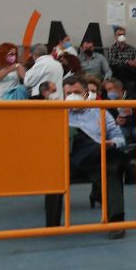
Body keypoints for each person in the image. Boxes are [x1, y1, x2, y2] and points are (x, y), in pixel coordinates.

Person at [45, 84, 129, 237]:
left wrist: (112, 143)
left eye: (77, 92)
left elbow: (120, 138)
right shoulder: (57, 112)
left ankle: (116, 222)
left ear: (85, 94)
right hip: (67, 160)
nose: (73, 96)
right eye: (69, 93)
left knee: (109, 168)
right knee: (76, 135)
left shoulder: (100, 112)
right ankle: (124, 161)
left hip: (96, 159)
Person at [110, 27, 136, 98]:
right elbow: (111, 60)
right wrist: (126, 61)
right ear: (115, 36)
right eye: (119, 34)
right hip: (120, 70)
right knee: (119, 69)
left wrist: (135, 62)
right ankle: (130, 95)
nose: (121, 36)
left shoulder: (131, 48)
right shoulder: (112, 48)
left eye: (123, 34)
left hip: (131, 69)